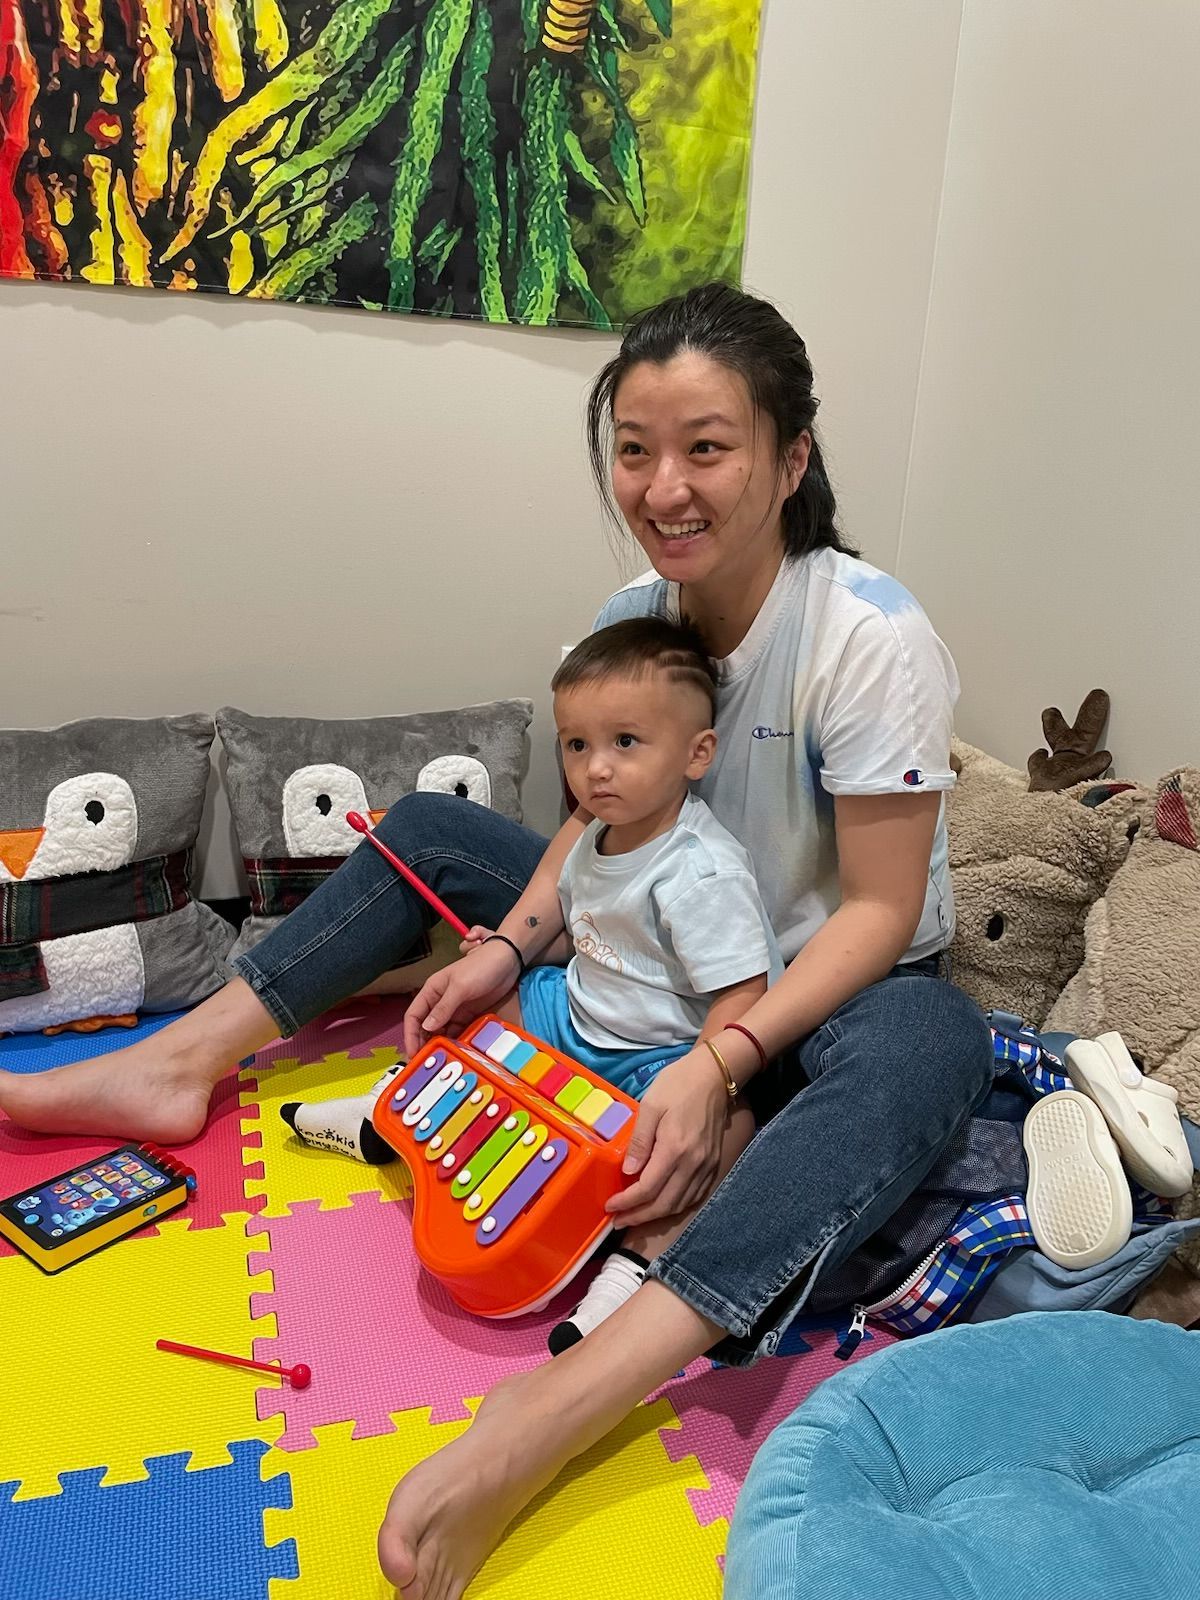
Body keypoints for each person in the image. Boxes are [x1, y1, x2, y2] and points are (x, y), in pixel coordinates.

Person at [0, 281, 994, 1600]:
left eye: (707, 447)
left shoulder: (868, 636)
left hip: (812, 994)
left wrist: (722, 1063)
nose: (664, 487)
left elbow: (877, 911)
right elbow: (593, 822)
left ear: (791, 457)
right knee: (428, 824)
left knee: (940, 1037)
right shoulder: (633, 616)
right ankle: (180, 1060)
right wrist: (512, 946)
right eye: (635, 450)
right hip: (657, 952)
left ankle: (566, 1400)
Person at [477, 614, 778, 1348]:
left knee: (728, 1133)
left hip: (658, 1056)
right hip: (576, 1012)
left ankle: (630, 1270)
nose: (595, 769)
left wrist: (704, 1083)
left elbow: (744, 995)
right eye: (576, 745)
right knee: (483, 1001)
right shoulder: (593, 834)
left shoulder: (698, 871)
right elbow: (591, 937)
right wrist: (505, 955)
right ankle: (399, 1106)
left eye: (625, 743)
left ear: (697, 753)